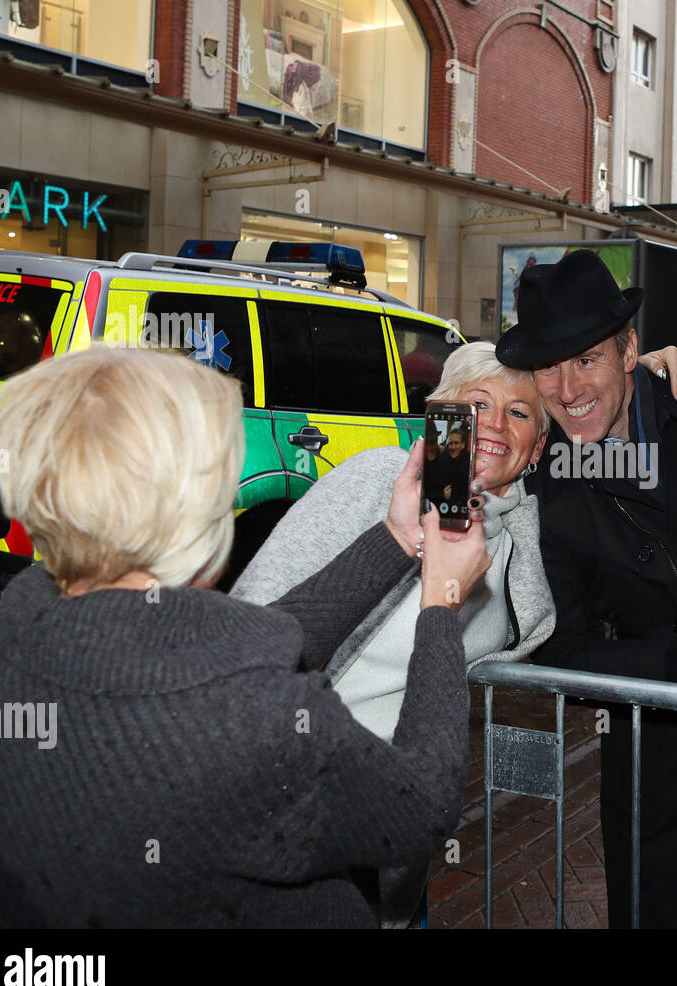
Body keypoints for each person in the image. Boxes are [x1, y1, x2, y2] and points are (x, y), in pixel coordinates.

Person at [0, 346, 489, 928]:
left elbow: (253, 649)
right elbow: (420, 807)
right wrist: (442, 601)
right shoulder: (252, 717)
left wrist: (393, 537)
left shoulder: (0, 643)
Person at [496, 249, 677, 928]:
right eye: (547, 366)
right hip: (657, 751)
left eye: (586, 359)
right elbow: (556, 647)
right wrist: (671, 663)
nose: (566, 388)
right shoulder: (552, 485)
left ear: (630, 351)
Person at [231, 341, 556, 925]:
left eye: (520, 412)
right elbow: (256, 616)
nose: (494, 425)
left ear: (536, 448)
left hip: (397, 821)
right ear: (438, 414)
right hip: (298, 791)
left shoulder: (515, 543)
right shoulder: (381, 480)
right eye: (476, 404)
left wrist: (657, 367)